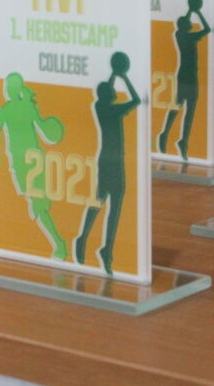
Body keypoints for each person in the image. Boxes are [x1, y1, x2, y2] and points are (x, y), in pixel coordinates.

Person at [74, 52, 141, 275]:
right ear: (109, 94)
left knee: (100, 202)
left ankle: (89, 240)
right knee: (112, 207)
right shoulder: (112, 109)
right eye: (112, 90)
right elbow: (136, 100)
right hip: (114, 162)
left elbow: (105, 90)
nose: (115, 91)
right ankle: (102, 247)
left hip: (107, 160)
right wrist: (124, 77)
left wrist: (114, 74)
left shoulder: (100, 106)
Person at [0, 73, 67, 260]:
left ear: (15, 89)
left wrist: (52, 130)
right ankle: (57, 241)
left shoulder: (22, 107)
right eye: (7, 87)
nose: (7, 90)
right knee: (35, 203)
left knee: (38, 205)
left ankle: (59, 243)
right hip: (19, 161)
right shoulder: (10, 109)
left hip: (32, 160)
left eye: (10, 87)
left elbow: (42, 130)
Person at [157, 0, 210, 160]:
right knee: (185, 109)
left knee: (181, 107)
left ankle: (176, 138)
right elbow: (207, 29)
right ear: (186, 26)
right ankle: (176, 138)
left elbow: (184, 21)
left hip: (185, 74)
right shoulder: (189, 37)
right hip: (189, 75)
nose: (191, 22)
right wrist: (197, 11)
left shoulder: (179, 34)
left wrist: (190, 10)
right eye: (189, 22)